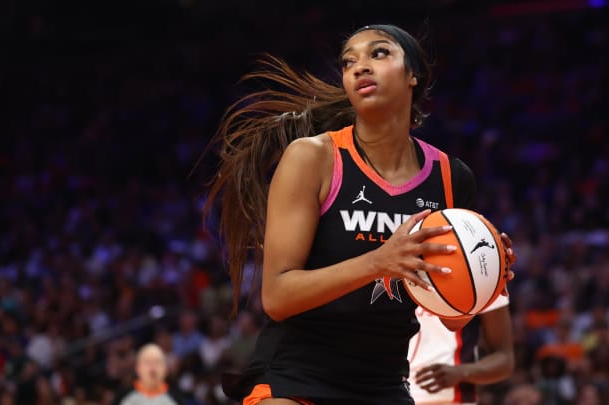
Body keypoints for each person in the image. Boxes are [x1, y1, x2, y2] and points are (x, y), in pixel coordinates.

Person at [205, 23, 516, 404]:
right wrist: (378, 262)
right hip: (296, 376)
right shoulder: (313, 158)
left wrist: (483, 280)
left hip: (382, 384)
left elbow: (450, 316)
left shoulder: (452, 178)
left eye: (378, 53)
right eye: (349, 61)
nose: (359, 67)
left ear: (412, 75)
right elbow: (277, 296)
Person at [408, 294, 513, 404]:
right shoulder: (394, 279)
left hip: (451, 399)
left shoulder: (486, 280)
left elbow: (505, 359)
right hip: (395, 392)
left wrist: (461, 372)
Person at [113, 343, 186, 405]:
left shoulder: (177, 397)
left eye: (157, 362)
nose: (152, 368)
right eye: (147, 362)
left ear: (165, 369)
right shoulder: (123, 396)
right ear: (137, 368)